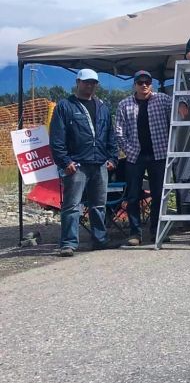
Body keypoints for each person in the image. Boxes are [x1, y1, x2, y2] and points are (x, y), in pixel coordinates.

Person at [50, 69, 118, 256]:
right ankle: (69, 244)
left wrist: (112, 158)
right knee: (72, 206)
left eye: (93, 82)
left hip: (99, 164)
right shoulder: (65, 106)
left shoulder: (102, 107)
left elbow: (110, 135)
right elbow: (57, 138)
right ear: (78, 82)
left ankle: (100, 239)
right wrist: (65, 162)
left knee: (99, 205)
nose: (90, 85)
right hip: (77, 165)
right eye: (86, 82)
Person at [114, 70, 172, 246]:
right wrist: (129, 151)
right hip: (135, 156)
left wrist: (184, 104)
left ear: (151, 84)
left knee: (159, 194)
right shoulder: (124, 104)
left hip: (159, 154)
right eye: (140, 82)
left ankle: (157, 231)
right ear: (135, 85)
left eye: (147, 82)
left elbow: (179, 107)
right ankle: (135, 233)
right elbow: (119, 132)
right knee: (133, 196)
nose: (144, 85)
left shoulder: (163, 99)